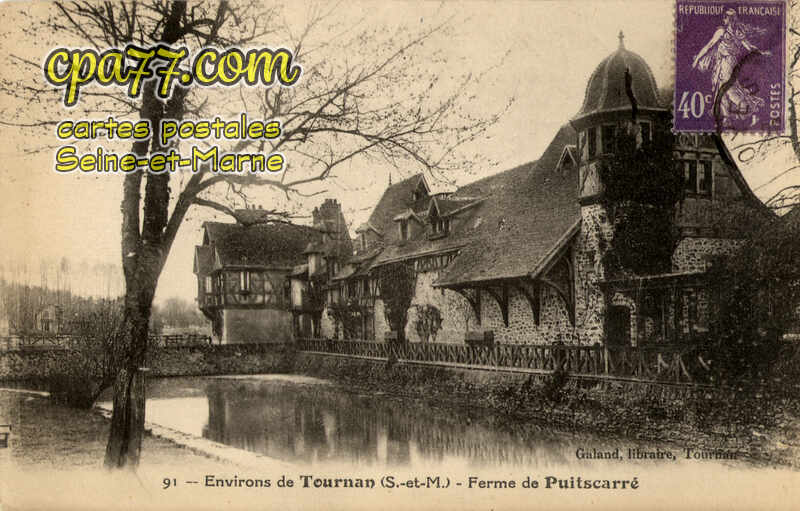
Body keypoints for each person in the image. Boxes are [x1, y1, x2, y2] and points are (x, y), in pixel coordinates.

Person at [692, 8, 771, 126]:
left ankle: (747, 106)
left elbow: (710, 45)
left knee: (728, 86)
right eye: (726, 17)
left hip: (727, 62)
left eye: (728, 17)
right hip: (722, 62)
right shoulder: (730, 32)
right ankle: (726, 118)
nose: (726, 19)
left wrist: (698, 58)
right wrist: (761, 53)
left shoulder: (728, 32)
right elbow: (749, 47)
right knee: (720, 87)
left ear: (730, 19)